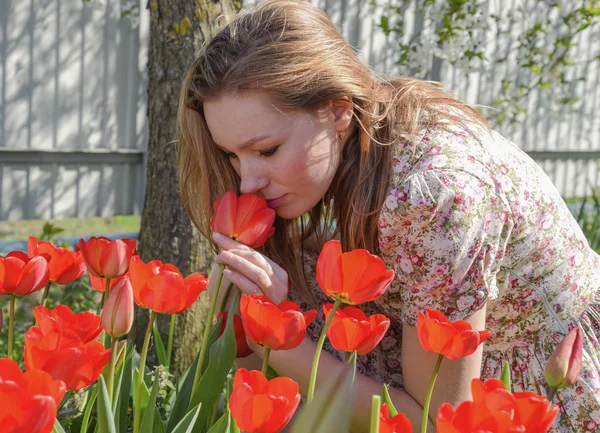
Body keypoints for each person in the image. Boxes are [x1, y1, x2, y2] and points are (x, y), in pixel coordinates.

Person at [175, 1, 600, 432]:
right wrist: (243, 302)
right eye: (232, 155)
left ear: (338, 111)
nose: (247, 182)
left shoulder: (435, 197)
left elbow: (438, 422)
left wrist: (284, 344)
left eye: (266, 150)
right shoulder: (362, 143)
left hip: (534, 389)